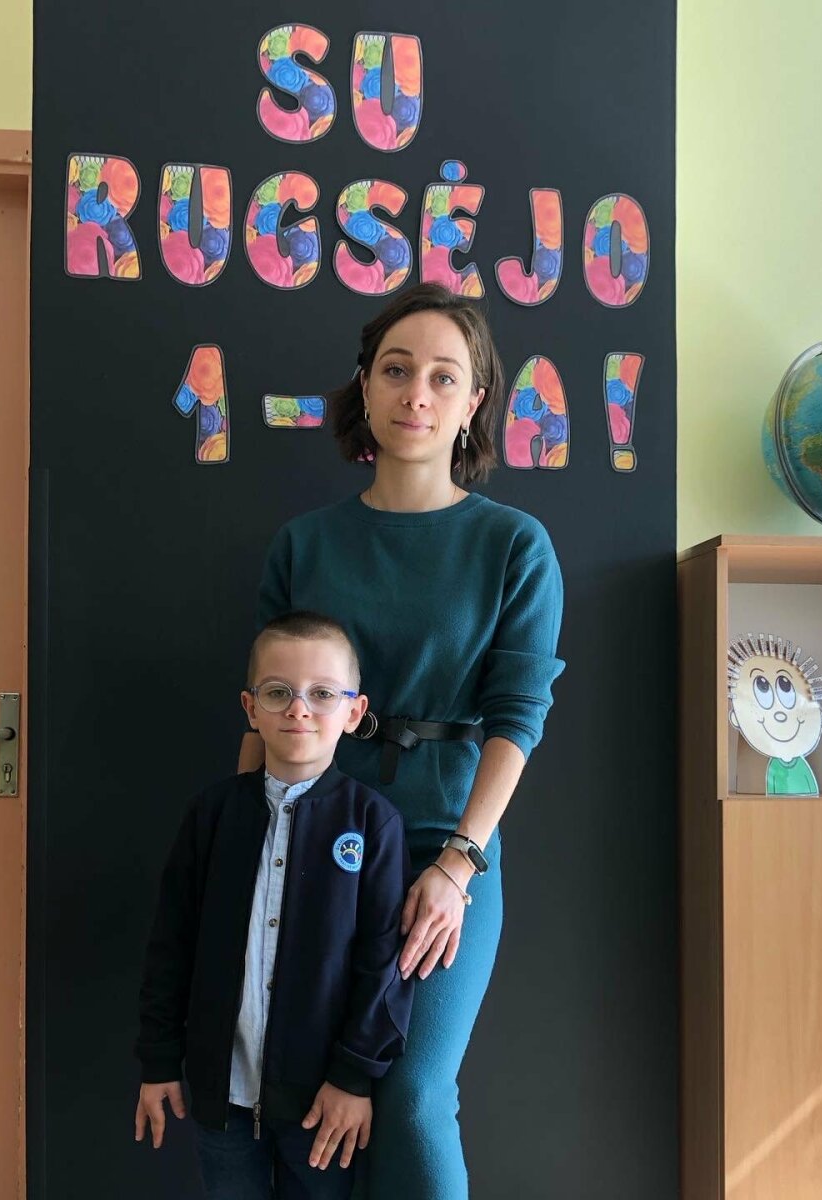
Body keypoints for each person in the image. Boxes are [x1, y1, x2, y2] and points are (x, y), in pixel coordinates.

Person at [244, 283, 565, 1200]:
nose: (415, 393)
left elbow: (518, 719)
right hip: (316, 841)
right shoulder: (303, 545)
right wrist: (244, 851)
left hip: (444, 846)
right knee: (309, 1099)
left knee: (414, 1095)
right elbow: (265, 711)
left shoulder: (514, 545)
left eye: (442, 376)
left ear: (473, 404)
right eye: (395, 369)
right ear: (366, 385)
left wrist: (459, 866)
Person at [135, 611, 414, 1199]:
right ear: (250, 707)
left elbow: (383, 965)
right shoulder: (211, 815)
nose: (299, 709)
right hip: (222, 1100)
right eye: (278, 692)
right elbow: (171, 945)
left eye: (322, 694)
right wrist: (159, 1060)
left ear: (354, 712)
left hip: (324, 1105)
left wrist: (354, 1076)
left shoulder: (374, 823)